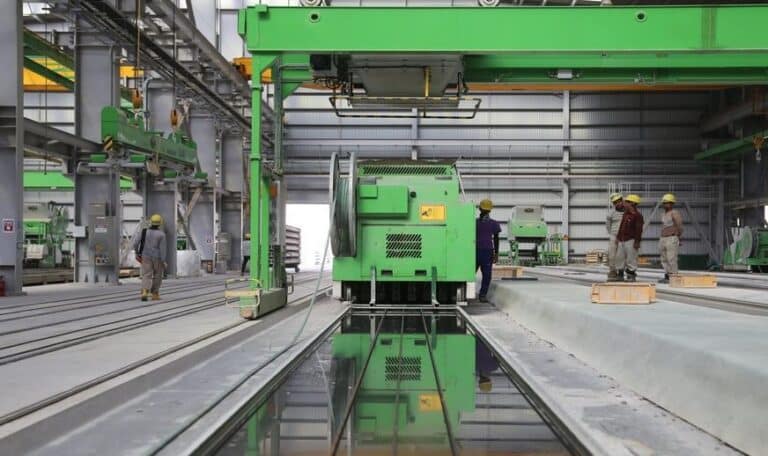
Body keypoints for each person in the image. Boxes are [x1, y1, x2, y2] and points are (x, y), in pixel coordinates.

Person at [134, 214, 167, 301]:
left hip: (145, 257)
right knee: (157, 275)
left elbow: (135, 243)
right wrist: (163, 261)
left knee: (146, 274)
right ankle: (155, 294)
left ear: (151, 222)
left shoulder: (144, 232)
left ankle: (145, 291)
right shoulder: (161, 235)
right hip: (157, 258)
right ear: (160, 223)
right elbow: (162, 249)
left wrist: (137, 253)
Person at [476, 199, 501, 302]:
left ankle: (461, 293)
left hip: (474, 251)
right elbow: (496, 239)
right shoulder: (494, 224)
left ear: (479, 209)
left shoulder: (474, 223)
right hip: (487, 251)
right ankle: (482, 295)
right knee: (487, 275)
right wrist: (496, 253)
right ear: (490, 210)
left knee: (467, 273)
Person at [616, 194, 644, 282]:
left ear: (633, 203)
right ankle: (620, 274)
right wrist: (618, 237)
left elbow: (639, 230)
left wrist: (637, 241)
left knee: (631, 258)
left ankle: (631, 275)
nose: (625, 203)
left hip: (631, 240)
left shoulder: (638, 216)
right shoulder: (626, 214)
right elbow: (621, 226)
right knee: (619, 258)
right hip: (622, 239)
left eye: (627, 202)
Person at [658, 193, 683, 284]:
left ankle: (674, 276)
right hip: (663, 238)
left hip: (671, 238)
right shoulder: (663, 214)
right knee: (664, 258)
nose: (665, 205)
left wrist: (678, 236)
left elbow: (679, 226)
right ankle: (667, 275)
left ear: (672, 203)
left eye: (667, 203)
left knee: (671, 258)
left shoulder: (674, 213)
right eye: (664, 203)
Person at [606, 193, 625, 282]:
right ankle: (612, 272)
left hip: (624, 237)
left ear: (622, 201)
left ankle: (621, 272)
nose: (618, 203)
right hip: (614, 236)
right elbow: (608, 226)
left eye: (619, 201)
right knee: (612, 255)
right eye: (615, 202)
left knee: (621, 256)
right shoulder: (611, 213)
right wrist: (613, 235)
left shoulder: (627, 212)